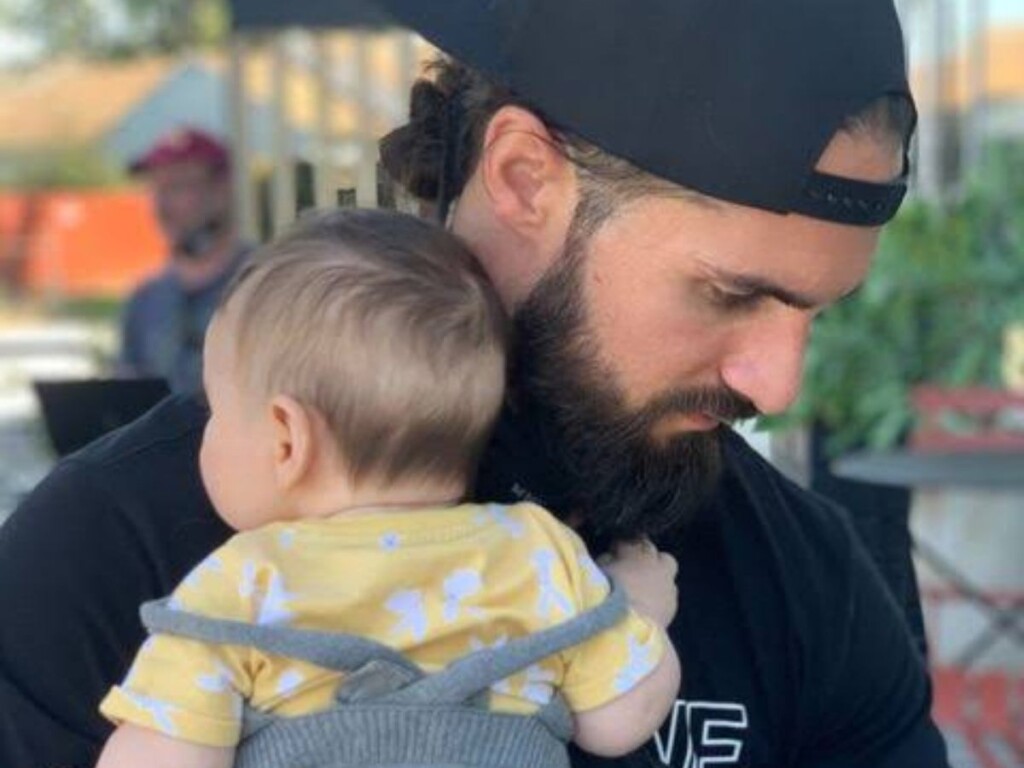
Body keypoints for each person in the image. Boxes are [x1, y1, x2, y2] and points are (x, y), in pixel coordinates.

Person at [0, 1, 951, 766]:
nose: (777, 384)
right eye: (729, 294)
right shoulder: (111, 556)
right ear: (524, 176)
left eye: (815, 313)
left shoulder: (800, 574)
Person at [95, 207, 681, 767]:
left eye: (215, 411)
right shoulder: (536, 554)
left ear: (285, 439)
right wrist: (640, 613)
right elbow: (619, 722)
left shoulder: (241, 588)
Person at [118, 127, 249, 395]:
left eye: (178, 186)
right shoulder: (146, 299)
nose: (161, 205)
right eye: (156, 188)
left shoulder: (267, 282)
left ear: (222, 190)